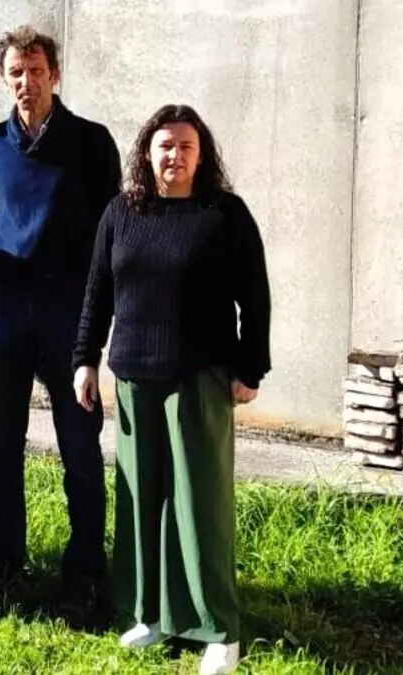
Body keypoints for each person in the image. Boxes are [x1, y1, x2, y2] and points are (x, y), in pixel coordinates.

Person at [72, 104, 271, 675]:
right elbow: (97, 293)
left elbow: (255, 296)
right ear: (147, 152)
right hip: (135, 377)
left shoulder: (224, 215)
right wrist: (85, 358)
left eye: (186, 146)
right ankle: (152, 614)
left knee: (199, 505)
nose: (175, 156)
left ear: (201, 155)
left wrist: (250, 368)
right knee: (141, 500)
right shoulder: (121, 212)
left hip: (198, 377)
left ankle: (218, 628)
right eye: (165, 145)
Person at [0, 25, 121, 609]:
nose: (27, 82)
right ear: (4, 79)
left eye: (36, 71)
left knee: (80, 448)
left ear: (54, 75)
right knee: (2, 448)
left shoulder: (91, 142)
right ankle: (3, 566)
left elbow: (109, 236)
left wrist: (93, 327)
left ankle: (84, 572)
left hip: (69, 312)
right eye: (16, 72)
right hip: (8, 311)